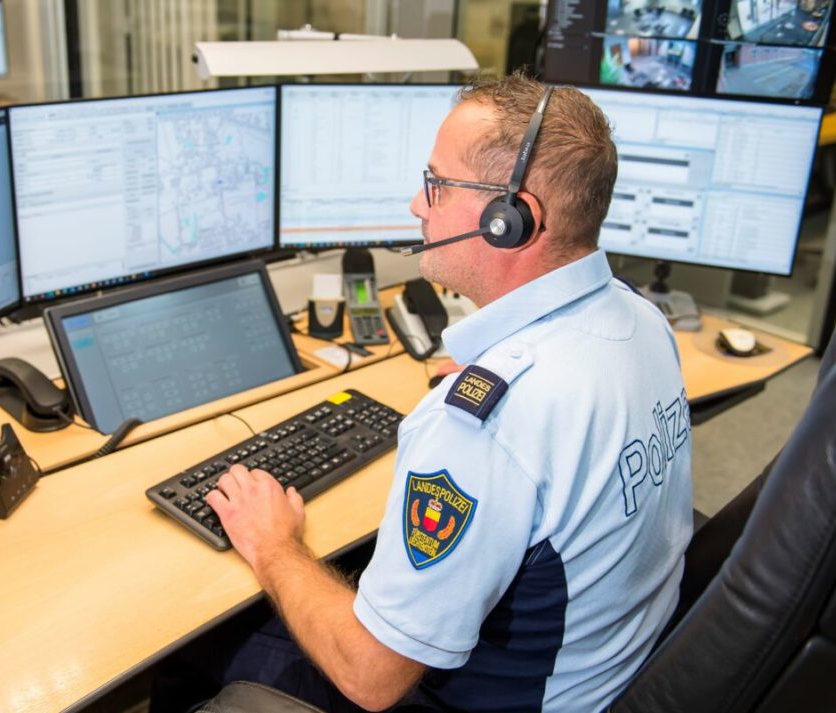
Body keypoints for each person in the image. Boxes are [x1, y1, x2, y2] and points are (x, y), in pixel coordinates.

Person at [200, 73, 694, 713]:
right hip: (605, 673)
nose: (416, 204)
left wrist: (273, 544)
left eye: (436, 184)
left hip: (491, 702)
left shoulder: (484, 425)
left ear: (510, 219)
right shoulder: (641, 321)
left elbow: (371, 677)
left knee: (213, 647)